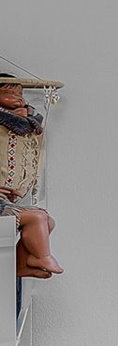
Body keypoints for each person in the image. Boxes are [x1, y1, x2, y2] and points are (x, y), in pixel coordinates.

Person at [0, 77, 60, 278]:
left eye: (19, 94)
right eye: (10, 94)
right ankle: (40, 257)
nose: (17, 98)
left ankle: (21, 264)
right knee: (36, 218)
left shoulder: (26, 123)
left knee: (47, 221)